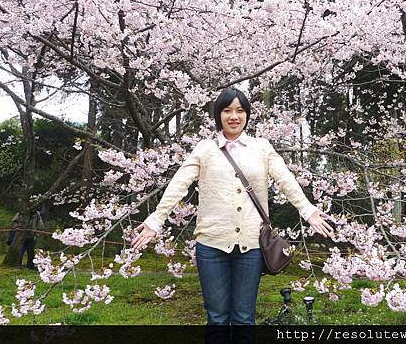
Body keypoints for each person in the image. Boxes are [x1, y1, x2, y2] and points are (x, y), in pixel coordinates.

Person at [131, 88, 333, 332]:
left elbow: (285, 179)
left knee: (244, 318)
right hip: (211, 245)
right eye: (227, 111)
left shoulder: (262, 147)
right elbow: (179, 184)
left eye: (239, 110)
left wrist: (307, 210)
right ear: (218, 115)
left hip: (251, 245)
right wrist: (156, 220)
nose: (233, 116)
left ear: (247, 115)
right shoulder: (205, 149)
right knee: (216, 318)